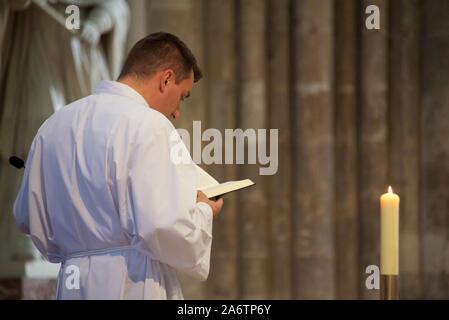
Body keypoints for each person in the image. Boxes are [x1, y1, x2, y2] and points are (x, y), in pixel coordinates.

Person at [13, 32, 224, 299]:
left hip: (72, 281)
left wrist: (76, 248)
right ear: (166, 78)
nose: (176, 113)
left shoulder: (54, 125)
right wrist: (204, 209)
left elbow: (26, 217)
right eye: (182, 97)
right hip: (132, 282)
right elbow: (163, 227)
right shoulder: (150, 125)